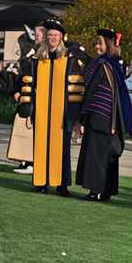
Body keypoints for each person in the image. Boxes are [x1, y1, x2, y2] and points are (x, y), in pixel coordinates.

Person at [18, 19, 86, 196]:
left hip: (62, 114)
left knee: (62, 150)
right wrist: (29, 107)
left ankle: (61, 184)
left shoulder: (70, 61)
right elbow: (29, 85)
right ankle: (41, 182)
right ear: (45, 38)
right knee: (40, 147)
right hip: (41, 112)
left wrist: (73, 116)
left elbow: (76, 89)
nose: (53, 38)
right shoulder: (38, 60)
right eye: (50, 35)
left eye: (56, 35)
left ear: (61, 38)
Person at [77, 29, 132, 201]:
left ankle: (95, 191)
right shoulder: (116, 65)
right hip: (112, 118)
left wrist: (81, 117)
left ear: (107, 45)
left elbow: (90, 90)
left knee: (96, 155)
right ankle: (107, 191)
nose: (96, 46)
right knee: (107, 155)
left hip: (98, 114)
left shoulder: (101, 64)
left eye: (99, 42)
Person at [8, 24, 43, 174]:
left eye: (39, 34)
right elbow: (22, 76)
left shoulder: (43, 55)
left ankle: (32, 161)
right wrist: (16, 90)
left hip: (36, 99)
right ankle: (23, 159)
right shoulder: (30, 55)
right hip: (25, 98)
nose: (36, 36)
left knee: (32, 130)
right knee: (23, 128)